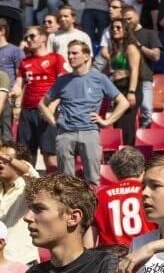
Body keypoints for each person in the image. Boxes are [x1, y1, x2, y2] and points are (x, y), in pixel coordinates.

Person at [39, 41, 130, 187]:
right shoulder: (62, 80)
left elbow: (123, 102)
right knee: (66, 182)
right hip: (65, 133)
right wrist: (53, 121)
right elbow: (42, 103)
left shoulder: (99, 78)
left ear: (86, 56)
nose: (70, 56)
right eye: (69, 53)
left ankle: (92, 202)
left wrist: (107, 121)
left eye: (75, 53)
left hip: (89, 132)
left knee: (93, 180)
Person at [12, 26, 65, 174]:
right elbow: (19, 84)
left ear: (43, 38)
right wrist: (15, 96)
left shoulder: (56, 58)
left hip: (48, 111)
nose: (28, 40)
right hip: (27, 112)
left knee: (50, 155)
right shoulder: (24, 62)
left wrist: (53, 105)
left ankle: (53, 187)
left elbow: (63, 85)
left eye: (32, 36)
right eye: (26, 37)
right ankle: (28, 188)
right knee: (25, 156)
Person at [92, 146, 154, 249]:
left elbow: (90, 239)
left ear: (114, 172)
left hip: (110, 255)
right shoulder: (151, 193)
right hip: (145, 253)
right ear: (143, 171)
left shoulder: (100, 196)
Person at [104, 18, 142, 148]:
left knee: (127, 123)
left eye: (118, 27)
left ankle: (129, 151)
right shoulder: (114, 48)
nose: (115, 30)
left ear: (126, 30)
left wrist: (131, 92)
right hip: (117, 87)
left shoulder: (131, 47)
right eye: (113, 28)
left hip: (128, 86)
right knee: (118, 123)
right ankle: (120, 151)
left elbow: (134, 70)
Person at [122, 6, 161, 129]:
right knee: (126, 112)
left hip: (144, 78)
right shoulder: (122, 35)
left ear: (137, 16)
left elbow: (156, 56)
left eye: (129, 18)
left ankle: (144, 136)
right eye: (125, 20)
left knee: (147, 110)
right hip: (125, 80)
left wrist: (138, 45)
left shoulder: (149, 34)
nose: (127, 22)